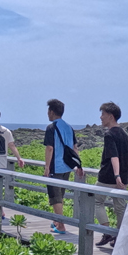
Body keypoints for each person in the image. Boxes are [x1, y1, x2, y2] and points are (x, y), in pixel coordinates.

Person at [94, 102, 128, 247]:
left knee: (96, 201)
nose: (101, 117)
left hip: (108, 177)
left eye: (103, 114)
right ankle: (119, 237)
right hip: (123, 178)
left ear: (110, 116)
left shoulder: (109, 134)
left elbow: (113, 156)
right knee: (120, 207)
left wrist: (117, 176)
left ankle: (107, 232)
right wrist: (125, 176)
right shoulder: (125, 135)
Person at [43, 98, 81, 235]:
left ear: (52, 112)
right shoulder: (69, 127)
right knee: (61, 196)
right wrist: (78, 165)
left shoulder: (51, 127)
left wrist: (47, 167)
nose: (47, 113)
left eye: (48, 111)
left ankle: (61, 226)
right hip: (67, 167)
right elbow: (74, 148)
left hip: (56, 167)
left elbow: (50, 148)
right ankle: (57, 222)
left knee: (55, 197)